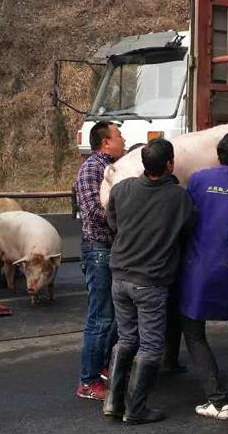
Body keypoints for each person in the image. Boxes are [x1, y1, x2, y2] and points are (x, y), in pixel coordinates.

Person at [103, 138, 194, 425]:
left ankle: (113, 401)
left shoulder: (121, 190)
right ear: (170, 165)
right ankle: (136, 409)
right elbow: (188, 230)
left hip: (119, 276)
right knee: (152, 345)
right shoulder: (179, 197)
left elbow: (113, 223)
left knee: (127, 338)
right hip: (151, 281)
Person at [178, 132, 228, 421]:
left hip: (198, 268)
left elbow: (187, 219)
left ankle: (216, 399)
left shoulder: (198, 180)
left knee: (194, 330)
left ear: (217, 154)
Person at [75, 122, 126, 401]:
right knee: (101, 317)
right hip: (99, 249)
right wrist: (127, 223)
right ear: (105, 143)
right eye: (118, 136)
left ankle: (104, 368)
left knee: (114, 316)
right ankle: (88, 381)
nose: (123, 139)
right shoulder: (93, 168)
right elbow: (94, 210)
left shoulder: (116, 167)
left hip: (110, 249)